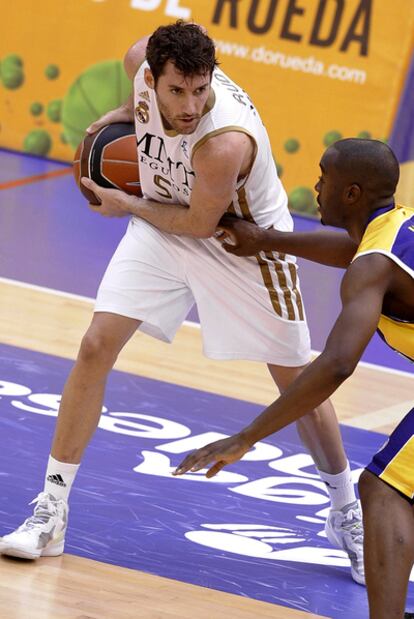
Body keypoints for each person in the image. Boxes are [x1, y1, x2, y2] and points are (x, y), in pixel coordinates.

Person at [0, 22, 363, 583]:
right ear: (154, 76)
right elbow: (142, 96)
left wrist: (126, 204)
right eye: (176, 91)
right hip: (161, 227)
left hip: (242, 242)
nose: (190, 104)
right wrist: (123, 113)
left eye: (200, 89)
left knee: (298, 381)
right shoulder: (139, 65)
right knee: (96, 345)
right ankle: (52, 509)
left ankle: (345, 513)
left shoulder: (225, 141)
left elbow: (198, 223)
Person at [174, 138, 414, 619]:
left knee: (385, 488)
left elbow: (337, 364)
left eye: (324, 177)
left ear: (351, 193)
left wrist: (246, 437)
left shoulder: (375, 266)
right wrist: (267, 240)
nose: (315, 186)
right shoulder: (396, 226)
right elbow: (352, 249)